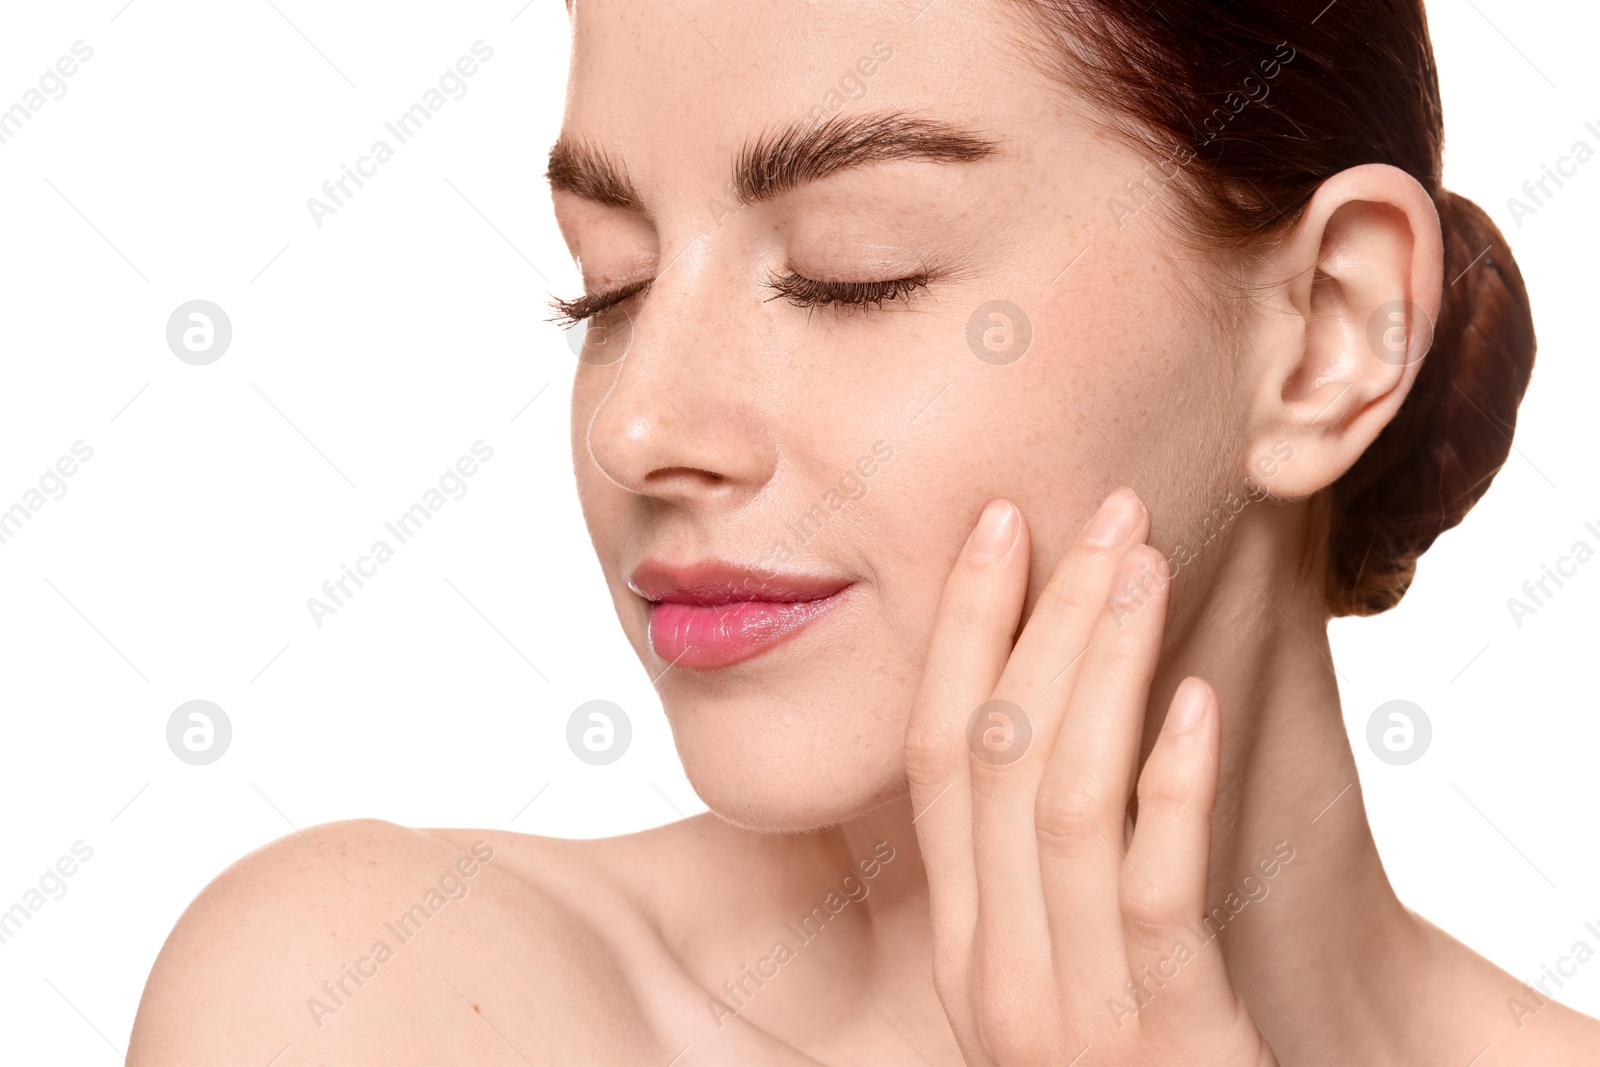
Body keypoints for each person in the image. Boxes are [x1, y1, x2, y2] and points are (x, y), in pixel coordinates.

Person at [128, 1, 1598, 1062]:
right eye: (609, 283)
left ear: (1331, 334)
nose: (641, 425)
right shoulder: (369, 1003)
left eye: (850, 271)